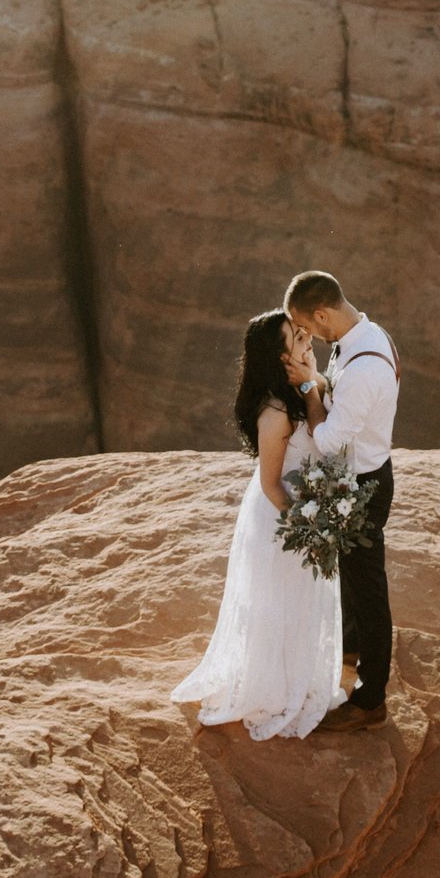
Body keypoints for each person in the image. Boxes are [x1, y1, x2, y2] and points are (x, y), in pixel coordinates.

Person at [169, 311, 353, 740]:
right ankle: (272, 689)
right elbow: (271, 485)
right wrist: (310, 532)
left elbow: (322, 423)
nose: (306, 336)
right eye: (295, 334)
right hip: (281, 519)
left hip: (304, 509)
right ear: (278, 354)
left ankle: (302, 679)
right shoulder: (273, 411)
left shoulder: (301, 388)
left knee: (302, 601)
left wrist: (310, 381)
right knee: (279, 603)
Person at [283, 269, 397, 732]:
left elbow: (329, 440)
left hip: (363, 486)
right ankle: (348, 659)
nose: (307, 337)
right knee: (350, 579)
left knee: (369, 590)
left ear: (323, 313)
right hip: (361, 476)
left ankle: (371, 698)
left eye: (307, 327)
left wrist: (310, 386)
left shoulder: (365, 366)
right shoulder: (364, 337)